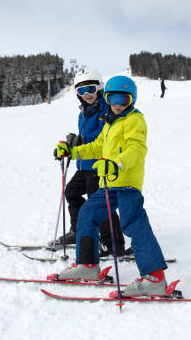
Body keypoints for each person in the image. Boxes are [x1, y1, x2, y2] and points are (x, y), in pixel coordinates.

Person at [54, 75, 168, 297]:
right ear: (106, 99)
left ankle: (155, 278)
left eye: (122, 100)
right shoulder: (109, 122)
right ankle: (88, 266)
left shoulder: (135, 120)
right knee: (87, 213)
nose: (116, 104)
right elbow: (97, 147)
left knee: (133, 224)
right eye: (112, 98)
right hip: (108, 184)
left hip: (127, 184)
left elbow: (137, 149)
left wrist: (117, 163)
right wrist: (72, 151)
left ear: (131, 100)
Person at [50, 68, 125, 257]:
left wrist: (81, 142)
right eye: (81, 91)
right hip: (84, 165)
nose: (87, 95)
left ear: (99, 88)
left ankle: (113, 244)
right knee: (71, 193)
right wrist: (70, 146)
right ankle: (78, 231)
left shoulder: (107, 111)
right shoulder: (82, 113)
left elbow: (105, 140)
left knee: (100, 203)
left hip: (100, 165)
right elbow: (84, 138)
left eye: (90, 89)